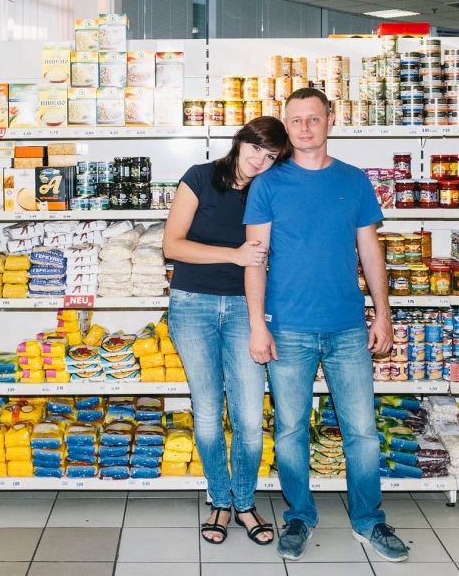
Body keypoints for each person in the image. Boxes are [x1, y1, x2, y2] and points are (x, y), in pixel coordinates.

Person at [243, 88, 408, 563]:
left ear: (330, 120)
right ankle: (299, 515)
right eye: (295, 121)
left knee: (361, 430)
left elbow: (370, 250)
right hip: (287, 325)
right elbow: (255, 260)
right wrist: (258, 324)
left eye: (313, 119)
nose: (305, 128)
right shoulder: (268, 184)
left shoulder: (354, 181)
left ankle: (369, 521)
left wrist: (383, 311)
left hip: (347, 326)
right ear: (287, 125)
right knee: (291, 429)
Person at [164, 115, 292, 545]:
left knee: (250, 419)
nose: (260, 160)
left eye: (272, 156)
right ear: (240, 141)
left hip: (246, 310)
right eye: (256, 148)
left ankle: (245, 502)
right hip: (192, 305)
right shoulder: (199, 177)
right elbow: (172, 245)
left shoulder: (270, 190)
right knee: (206, 415)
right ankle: (219, 500)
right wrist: (233, 256)